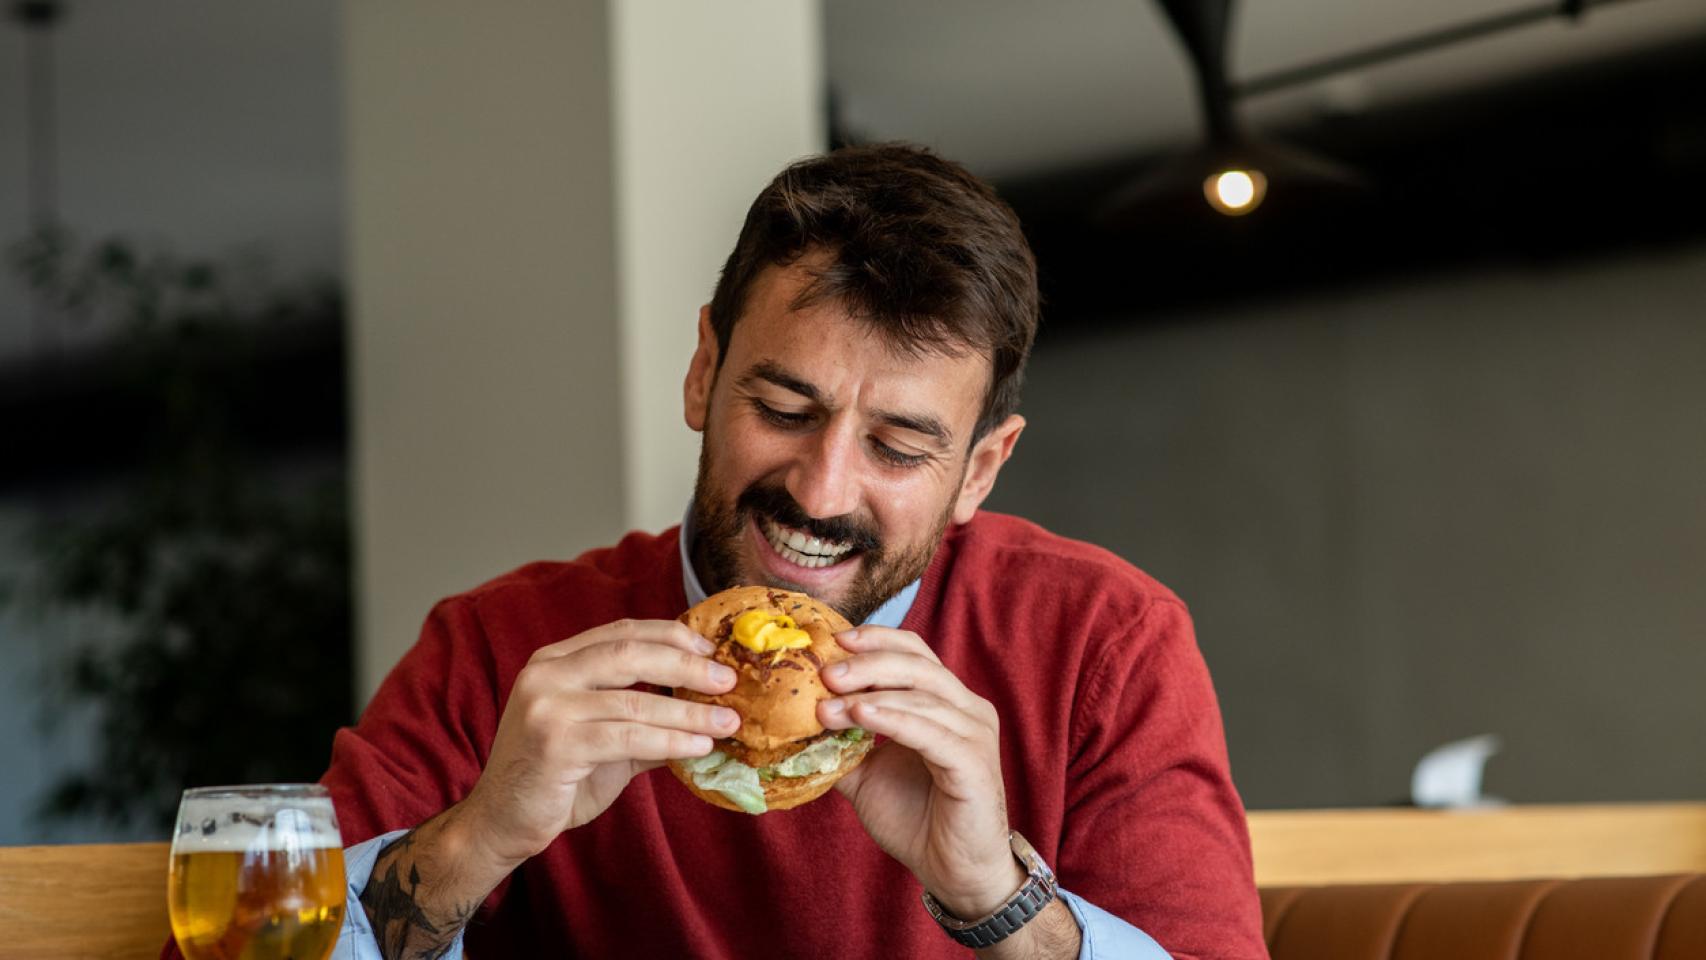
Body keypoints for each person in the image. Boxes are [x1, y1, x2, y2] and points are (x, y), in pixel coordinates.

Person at [164, 144, 1266, 959]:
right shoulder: (507, 648)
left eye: (896, 446)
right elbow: (218, 958)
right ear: (703, 372)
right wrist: (478, 840)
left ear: (979, 470)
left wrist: (994, 896)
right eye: (783, 407)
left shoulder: (1100, 644)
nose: (820, 491)